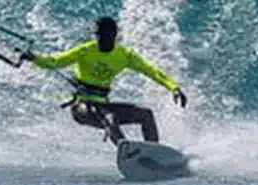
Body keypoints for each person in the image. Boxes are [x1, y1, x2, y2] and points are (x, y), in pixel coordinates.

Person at [21, 16, 188, 144]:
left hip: (102, 104)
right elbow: (55, 62)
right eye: (97, 35)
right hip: (81, 108)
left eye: (103, 35)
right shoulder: (85, 50)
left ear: (114, 35)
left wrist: (174, 87)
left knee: (145, 114)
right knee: (110, 117)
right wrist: (33, 58)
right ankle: (126, 150)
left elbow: (152, 72)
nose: (99, 38)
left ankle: (154, 154)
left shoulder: (124, 55)